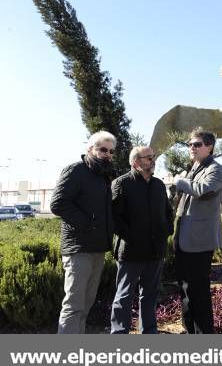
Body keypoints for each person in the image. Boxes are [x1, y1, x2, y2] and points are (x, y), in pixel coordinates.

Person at [50, 131, 116, 334]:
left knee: (86, 304)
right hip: (78, 248)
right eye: (102, 149)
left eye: (111, 151)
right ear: (90, 149)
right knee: (74, 305)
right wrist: (88, 224)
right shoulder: (76, 170)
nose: (107, 154)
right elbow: (58, 204)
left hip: (97, 248)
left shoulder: (104, 175)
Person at [110, 146, 174, 334]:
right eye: (148, 158)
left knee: (150, 295)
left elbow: (167, 213)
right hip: (131, 252)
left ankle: (149, 332)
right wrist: (133, 238)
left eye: (153, 157)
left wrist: (167, 231)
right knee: (124, 296)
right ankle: (119, 334)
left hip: (155, 251)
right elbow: (115, 218)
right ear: (136, 162)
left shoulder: (159, 185)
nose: (153, 160)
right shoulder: (121, 184)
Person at [173, 129, 222, 333]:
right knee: (186, 290)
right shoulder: (193, 168)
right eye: (189, 145)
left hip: (199, 241)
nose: (191, 148)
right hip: (183, 238)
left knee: (199, 292)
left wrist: (179, 181)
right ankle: (189, 332)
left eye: (197, 144)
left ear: (209, 147)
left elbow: (202, 189)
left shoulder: (216, 169)